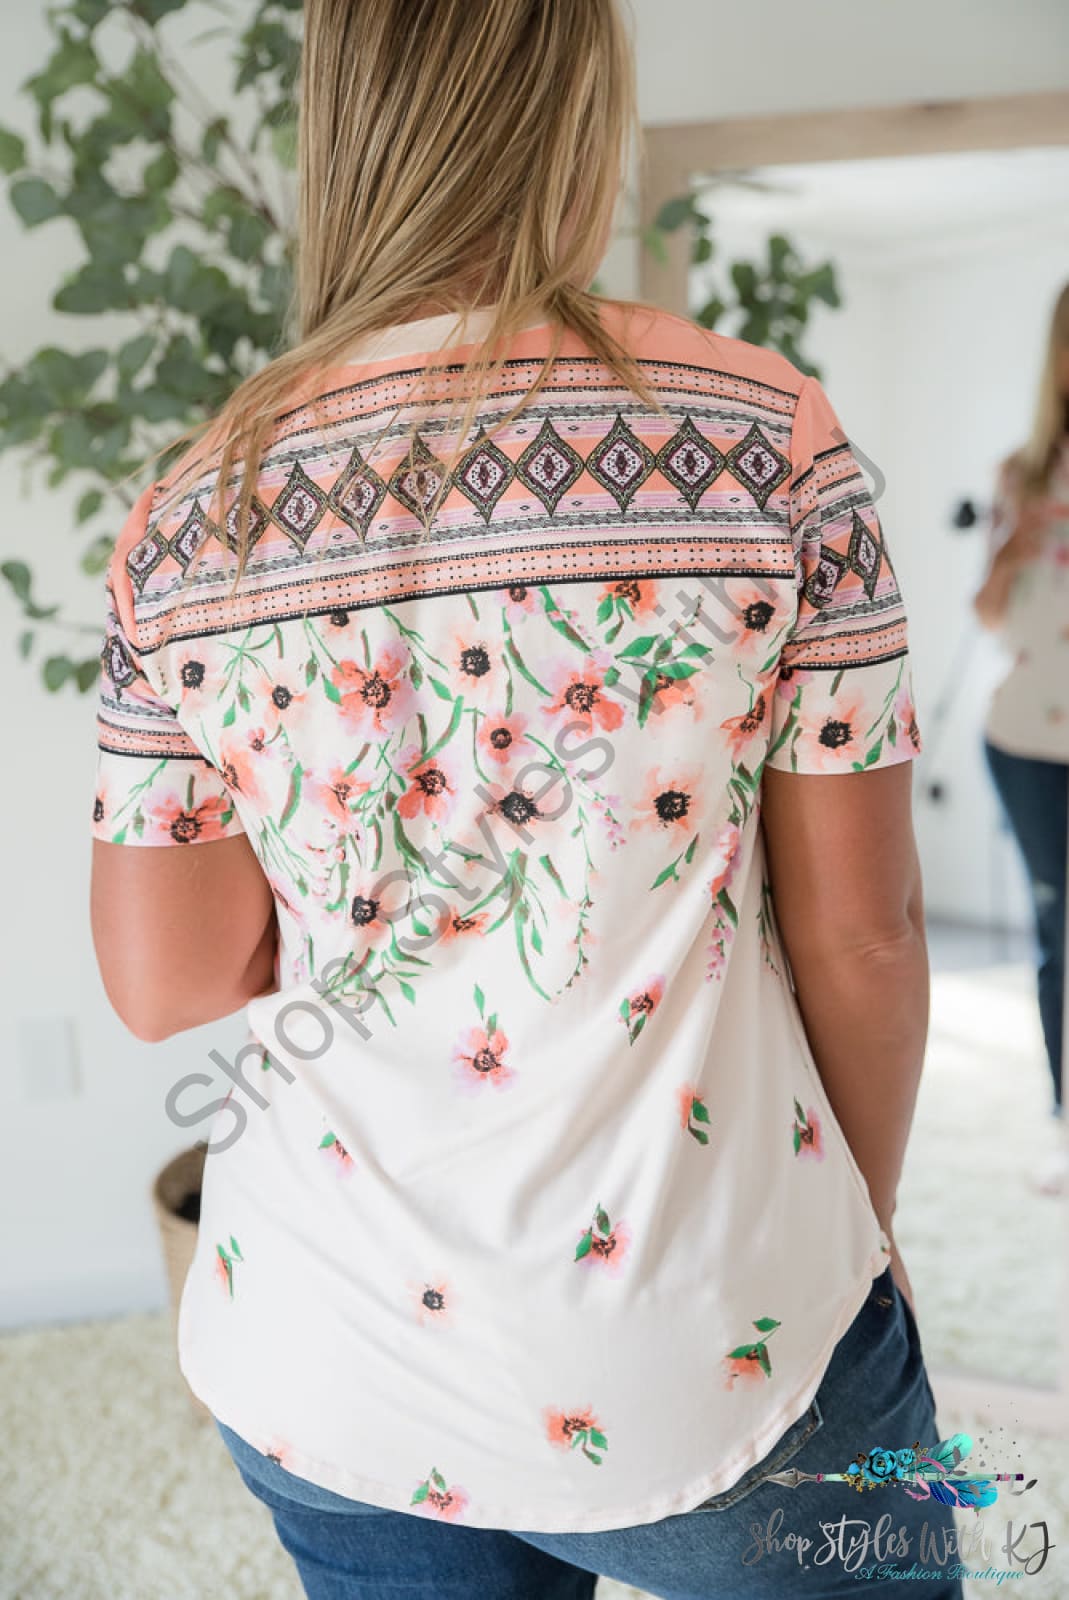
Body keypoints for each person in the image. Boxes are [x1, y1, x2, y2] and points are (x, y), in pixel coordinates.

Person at [89, 3, 962, 1595]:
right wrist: (864, 1229)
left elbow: (165, 983)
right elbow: (868, 937)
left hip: (325, 1351)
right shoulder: (766, 442)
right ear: (575, 115)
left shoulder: (190, 513)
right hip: (699, 1344)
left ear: (338, 131)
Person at [975, 282, 1069, 1194]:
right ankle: (1063, 1119)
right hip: (1025, 738)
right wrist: (1012, 542)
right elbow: (989, 616)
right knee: (1060, 929)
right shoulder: (1023, 473)